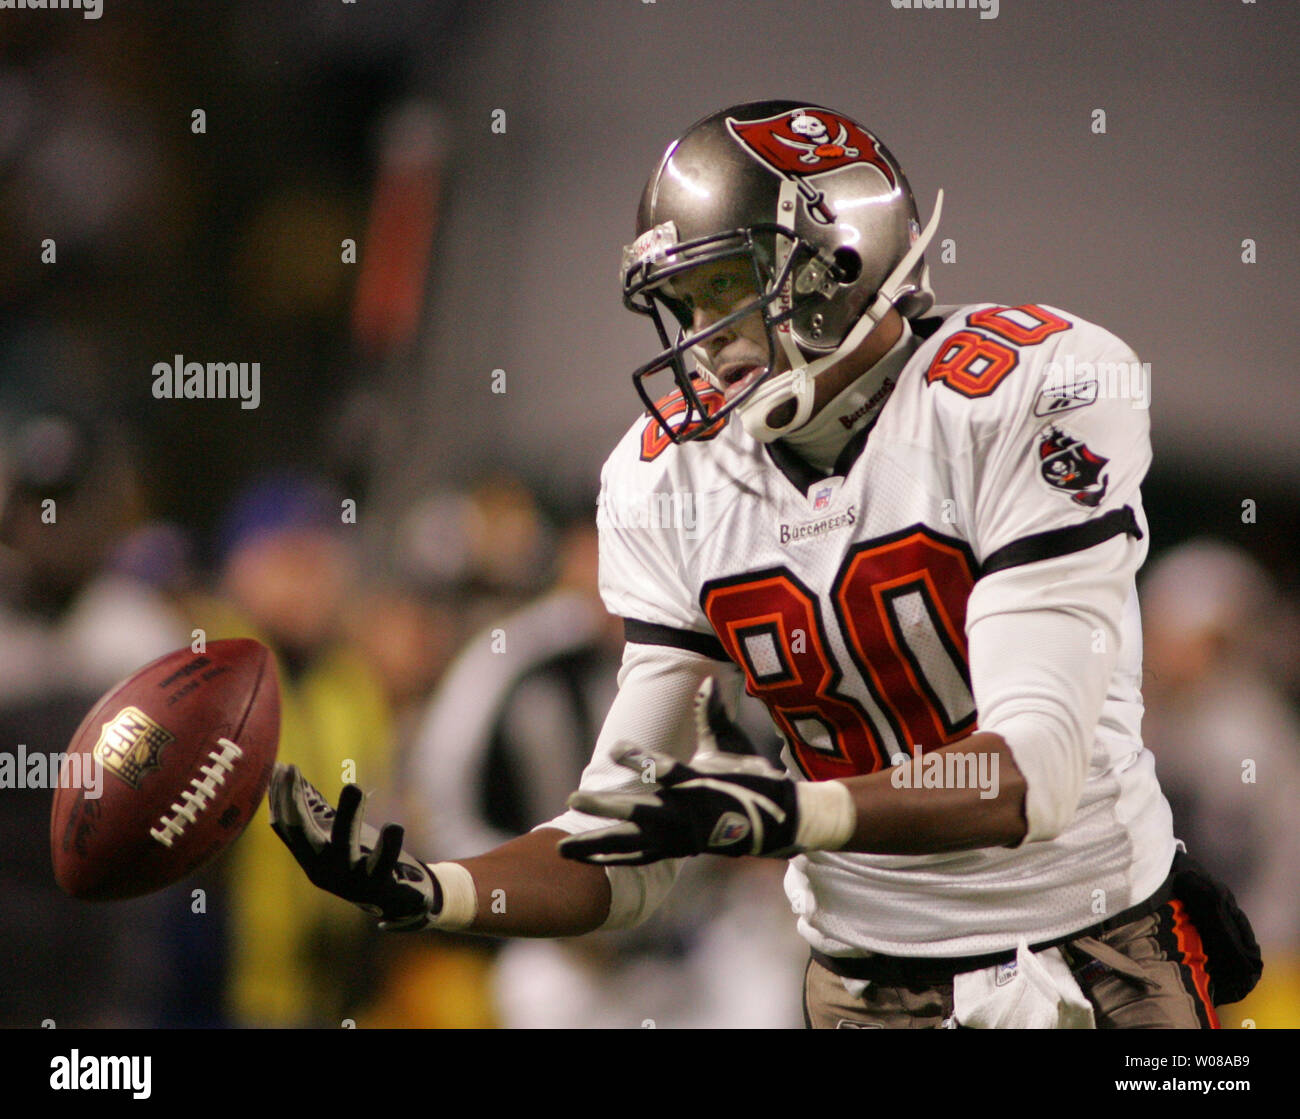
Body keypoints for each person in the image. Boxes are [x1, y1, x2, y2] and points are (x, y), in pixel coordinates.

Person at [268, 101, 1258, 1028]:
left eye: (726, 290)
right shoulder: (671, 480)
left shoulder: (1018, 392)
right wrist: (434, 888)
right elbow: (623, 845)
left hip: (1092, 947)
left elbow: (1027, 776)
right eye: (685, 302)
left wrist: (783, 811)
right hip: (868, 977)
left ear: (838, 260)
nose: (702, 343)